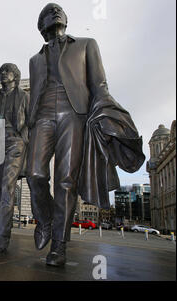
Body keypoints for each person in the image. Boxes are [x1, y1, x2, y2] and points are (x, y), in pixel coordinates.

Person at [27, 3, 144, 267]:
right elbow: (33, 95)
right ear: (41, 26)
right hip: (43, 116)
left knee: (66, 180)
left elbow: (99, 84)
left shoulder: (87, 44)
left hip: (74, 115)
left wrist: (109, 114)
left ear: (66, 19)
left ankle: (59, 244)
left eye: (58, 10)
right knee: (34, 173)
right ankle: (45, 220)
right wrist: (28, 124)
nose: (55, 12)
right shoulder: (34, 60)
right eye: (48, 11)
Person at [0, 63, 29, 252]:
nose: (3, 74)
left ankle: (1, 236)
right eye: (0, 71)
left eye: (7, 71)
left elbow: (32, 121)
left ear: (15, 76)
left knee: (7, 185)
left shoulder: (25, 97)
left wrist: (22, 139)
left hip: (14, 142)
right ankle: (3, 225)